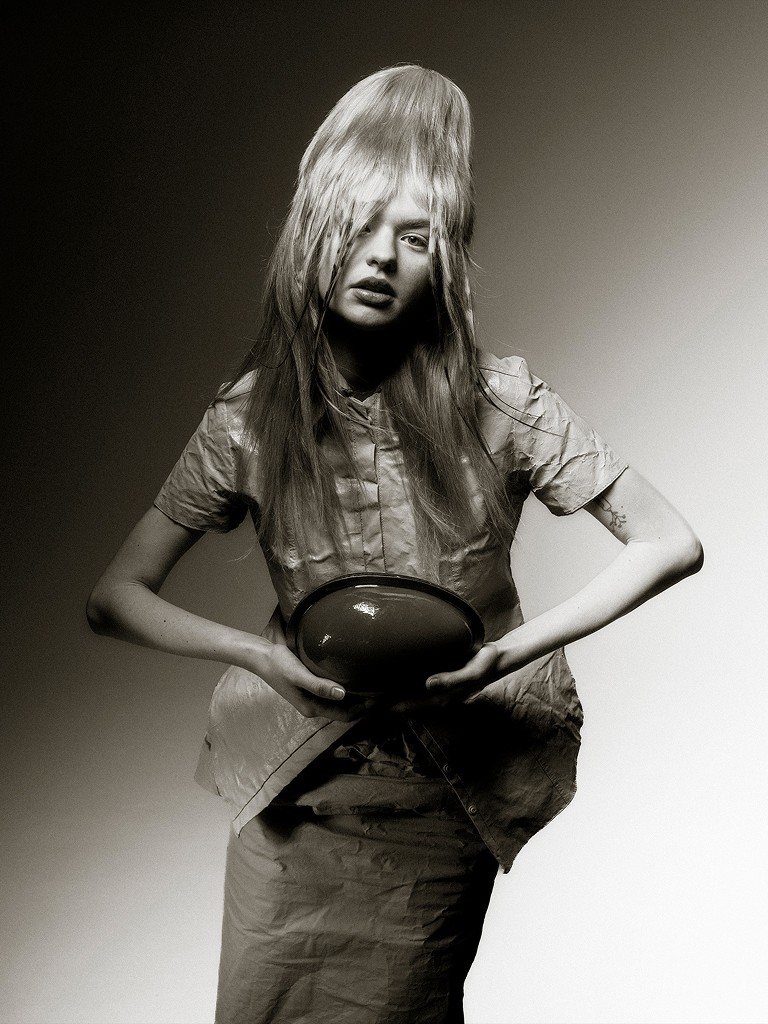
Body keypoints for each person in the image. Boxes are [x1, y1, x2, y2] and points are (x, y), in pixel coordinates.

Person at [87, 64, 703, 1024]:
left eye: (414, 238)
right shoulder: (247, 419)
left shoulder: (502, 402)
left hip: (440, 795)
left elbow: (669, 542)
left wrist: (508, 654)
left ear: (444, 263)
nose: (379, 257)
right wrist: (258, 654)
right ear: (310, 236)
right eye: (356, 225)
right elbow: (116, 596)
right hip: (293, 795)